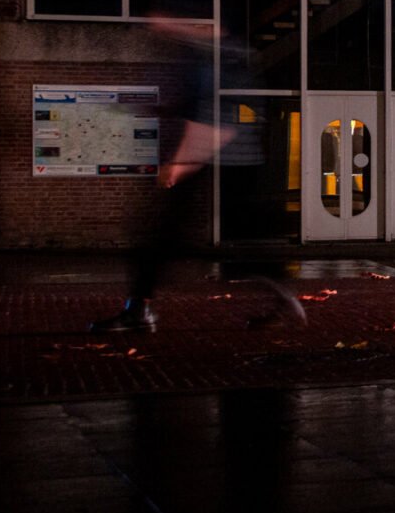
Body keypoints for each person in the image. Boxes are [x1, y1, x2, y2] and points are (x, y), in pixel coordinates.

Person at [91, 18, 302, 333]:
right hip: (238, 162)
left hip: (224, 162)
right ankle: (281, 300)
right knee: (238, 238)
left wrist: (179, 164)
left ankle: (139, 310)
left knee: (161, 235)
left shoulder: (215, 61)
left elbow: (213, 126)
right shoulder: (233, 57)